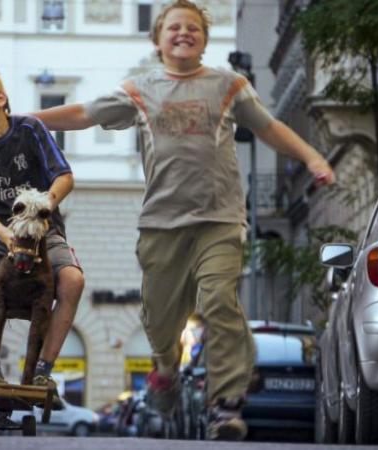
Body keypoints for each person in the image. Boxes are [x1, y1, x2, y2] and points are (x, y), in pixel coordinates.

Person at [33, 0, 335, 441]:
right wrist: (25, 121)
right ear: (158, 40)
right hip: (161, 222)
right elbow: (83, 114)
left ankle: (225, 406)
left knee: (219, 303)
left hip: (220, 218)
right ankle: (166, 372)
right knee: (160, 320)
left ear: (204, 39)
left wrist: (311, 157)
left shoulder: (229, 86)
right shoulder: (139, 90)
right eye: (173, 27)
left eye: (193, 27)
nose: (183, 33)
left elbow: (269, 128)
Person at [0, 62, 85, 385]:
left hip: (43, 233)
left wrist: (42, 209)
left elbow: (64, 177)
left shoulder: (31, 130)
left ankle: (42, 371)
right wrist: (8, 235)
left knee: (73, 282)